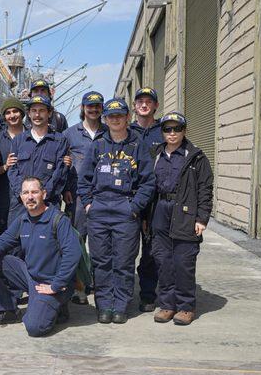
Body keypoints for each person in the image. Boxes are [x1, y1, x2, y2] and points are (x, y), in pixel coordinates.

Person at [77, 98, 155, 324]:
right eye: (111, 116)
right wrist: (90, 204)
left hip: (125, 211)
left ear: (127, 117)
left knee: (123, 261)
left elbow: (148, 182)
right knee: (101, 262)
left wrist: (134, 208)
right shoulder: (98, 145)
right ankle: (104, 305)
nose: (115, 120)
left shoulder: (137, 145)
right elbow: (84, 180)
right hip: (99, 210)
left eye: (119, 115)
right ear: (105, 119)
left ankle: (120, 305)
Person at [0, 176, 82, 337]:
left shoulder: (58, 220)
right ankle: (7, 310)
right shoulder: (23, 220)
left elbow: (73, 254)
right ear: (21, 196)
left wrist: (56, 285)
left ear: (44, 194)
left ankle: (57, 305)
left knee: (35, 328)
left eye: (34, 192)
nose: (30, 197)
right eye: (25, 192)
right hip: (31, 278)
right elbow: (3, 240)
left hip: (53, 283)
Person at [151, 112, 213, 326]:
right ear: (162, 132)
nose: (172, 133)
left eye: (177, 128)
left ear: (184, 131)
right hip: (161, 209)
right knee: (163, 260)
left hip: (185, 211)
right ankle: (167, 305)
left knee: (183, 261)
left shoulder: (196, 156)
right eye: (168, 129)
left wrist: (202, 218)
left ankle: (186, 306)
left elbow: (206, 189)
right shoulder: (156, 154)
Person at [62, 90, 107, 305]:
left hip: (105, 196)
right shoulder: (70, 134)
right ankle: (79, 288)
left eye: (98, 106)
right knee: (77, 242)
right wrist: (65, 189)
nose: (94, 109)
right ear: (83, 108)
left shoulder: (109, 132)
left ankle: (102, 286)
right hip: (77, 198)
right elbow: (63, 165)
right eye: (90, 106)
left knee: (103, 243)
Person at [7, 95, 69, 224]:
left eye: (41, 110)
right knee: (17, 242)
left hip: (48, 203)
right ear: (28, 114)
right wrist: (24, 194)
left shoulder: (60, 141)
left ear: (49, 113)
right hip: (20, 204)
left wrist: (42, 195)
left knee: (47, 242)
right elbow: (12, 170)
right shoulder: (18, 140)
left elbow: (60, 172)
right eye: (34, 111)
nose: (37, 115)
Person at [130, 87, 164, 312]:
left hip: (155, 200)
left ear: (155, 106)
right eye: (140, 101)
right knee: (126, 249)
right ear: (134, 106)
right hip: (130, 198)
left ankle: (148, 294)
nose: (144, 105)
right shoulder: (125, 130)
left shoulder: (164, 131)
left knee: (151, 250)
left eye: (148, 102)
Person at [0, 97, 25, 239]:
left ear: (22, 113)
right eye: (8, 112)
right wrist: (5, 167)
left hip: (26, 196)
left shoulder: (32, 136)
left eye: (15, 111)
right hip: (2, 196)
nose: (12, 115)